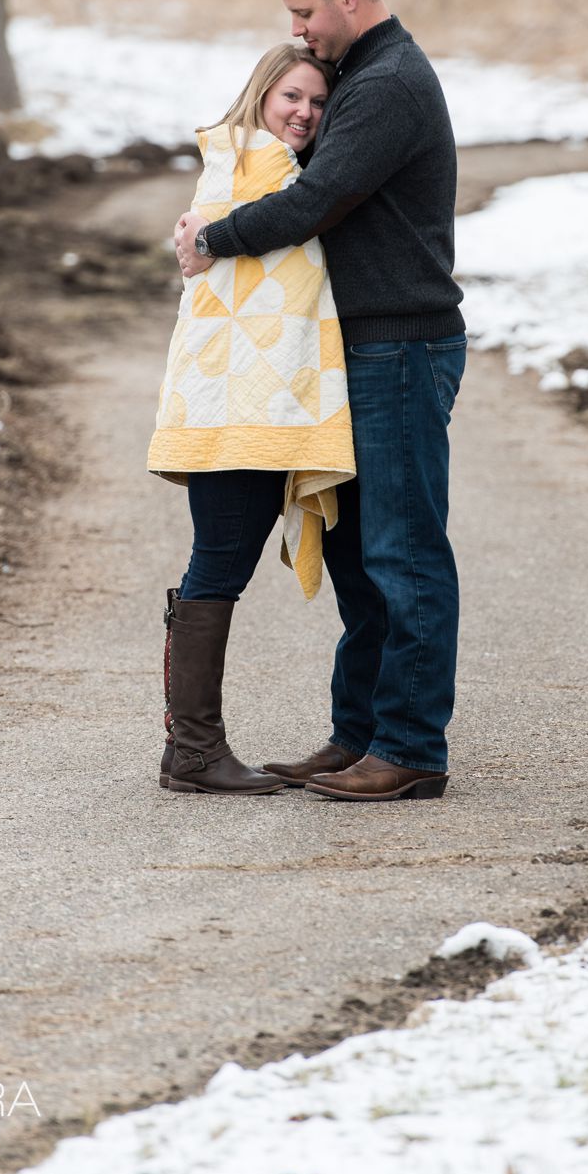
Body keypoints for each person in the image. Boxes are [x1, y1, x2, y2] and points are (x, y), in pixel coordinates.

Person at [175, 0, 466, 803]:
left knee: (404, 553)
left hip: (400, 343)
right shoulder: (361, 81)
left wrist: (213, 241)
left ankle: (411, 748)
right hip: (359, 346)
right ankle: (359, 735)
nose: (299, 30)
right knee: (357, 558)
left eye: (304, 11)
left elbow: (313, 201)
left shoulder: (388, 86)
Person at [148, 42, 355, 794]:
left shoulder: (245, 162)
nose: (303, 113)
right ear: (261, 93)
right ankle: (195, 754)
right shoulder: (259, 167)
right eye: (291, 97)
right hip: (243, 405)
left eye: (318, 104)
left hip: (237, 401)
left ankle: (189, 751)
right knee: (219, 566)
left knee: (216, 565)